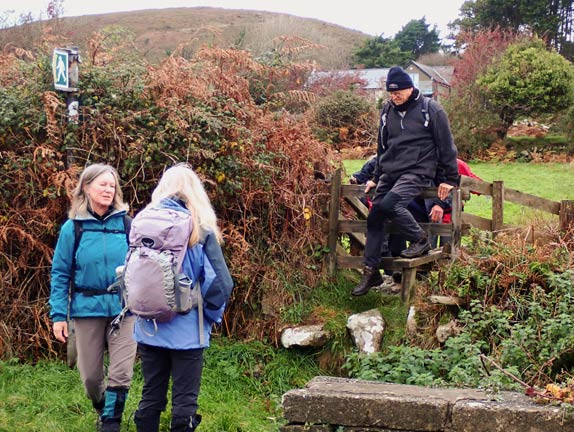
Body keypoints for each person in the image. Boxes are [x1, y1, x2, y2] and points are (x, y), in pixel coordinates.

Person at [133, 163, 232, 432]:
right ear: (196, 193)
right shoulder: (200, 231)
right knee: (184, 403)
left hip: (148, 326)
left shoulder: (143, 223)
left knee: (151, 396)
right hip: (188, 332)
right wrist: (210, 317)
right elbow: (221, 285)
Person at [352, 66, 459, 296]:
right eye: (391, 93)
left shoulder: (431, 110)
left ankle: (420, 240)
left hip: (418, 171)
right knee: (375, 216)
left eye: (398, 92)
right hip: (390, 172)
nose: (394, 96)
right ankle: (371, 271)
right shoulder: (386, 111)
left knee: (390, 205)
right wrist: (375, 177)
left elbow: (447, 146)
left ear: (410, 88)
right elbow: (382, 149)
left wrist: (450, 179)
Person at [50, 163, 137, 432]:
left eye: (112, 186)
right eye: (103, 184)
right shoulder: (72, 228)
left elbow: (143, 263)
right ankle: (102, 407)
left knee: (121, 372)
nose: (108, 190)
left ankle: (111, 423)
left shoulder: (126, 224)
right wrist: (58, 315)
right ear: (86, 188)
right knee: (90, 377)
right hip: (86, 307)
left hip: (124, 308)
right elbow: (60, 273)